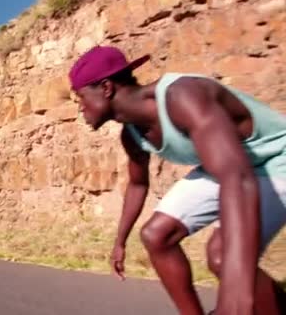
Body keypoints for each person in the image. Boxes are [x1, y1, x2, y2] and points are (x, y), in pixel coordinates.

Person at [68, 45, 286, 315]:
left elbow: (238, 179)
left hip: (276, 159)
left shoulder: (182, 96)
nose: (79, 108)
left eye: (80, 97)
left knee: (222, 256)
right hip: (226, 166)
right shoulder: (132, 136)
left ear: (106, 87)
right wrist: (120, 242)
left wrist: (237, 299)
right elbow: (138, 185)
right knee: (156, 235)